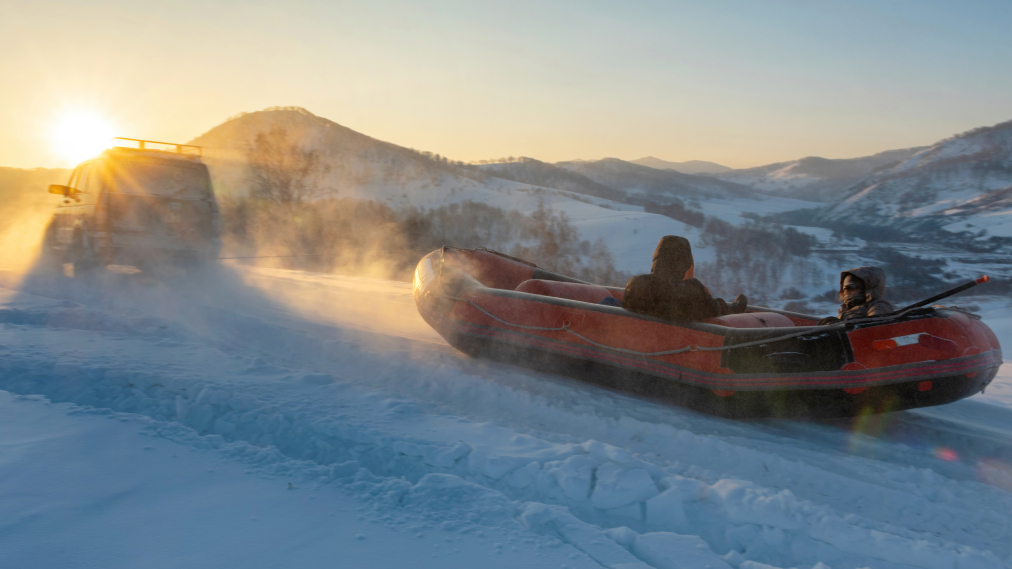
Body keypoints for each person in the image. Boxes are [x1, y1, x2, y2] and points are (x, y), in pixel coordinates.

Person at [622, 236, 747, 321]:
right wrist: (737, 307)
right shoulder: (690, 291)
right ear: (683, 264)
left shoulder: (636, 284)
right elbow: (717, 310)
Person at [820, 266, 894, 324]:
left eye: (851, 288)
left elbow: (874, 329)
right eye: (844, 288)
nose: (845, 292)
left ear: (865, 289)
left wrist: (844, 325)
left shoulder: (879, 306)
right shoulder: (845, 310)